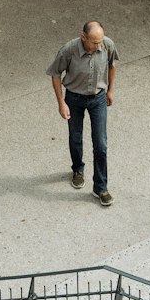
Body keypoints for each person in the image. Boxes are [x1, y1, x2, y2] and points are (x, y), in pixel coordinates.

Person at [47, 21, 119, 206]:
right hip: (75, 99)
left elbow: (111, 66)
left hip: (98, 98)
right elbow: (55, 74)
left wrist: (110, 91)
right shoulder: (69, 50)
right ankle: (78, 169)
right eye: (94, 42)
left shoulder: (107, 44)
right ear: (83, 38)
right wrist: (61, 103)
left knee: (101, 144)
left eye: (100, 41)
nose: (99, 45)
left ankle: (100, 188)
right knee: (75, 137)